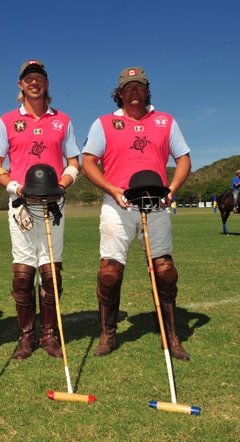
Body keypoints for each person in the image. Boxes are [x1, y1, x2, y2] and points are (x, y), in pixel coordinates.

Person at [81, 66, 192, 361]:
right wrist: (111, 188)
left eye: (139, 86)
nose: (134, 92)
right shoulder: (104, 123)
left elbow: (183, 159)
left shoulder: (165, 121)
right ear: (119, 93)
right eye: (128, 87)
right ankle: (108, 334)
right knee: (109, 273)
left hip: (156, 205)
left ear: (147, 90)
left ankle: (171, 336)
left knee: (165, 271)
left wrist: (172, 189)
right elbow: (88, 162)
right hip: (118, 204)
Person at [0, 60, 81, 360]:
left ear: (46, 83)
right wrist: (14, 187)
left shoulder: (62, 120)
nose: (34, 82)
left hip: (53, 204)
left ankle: (49, 334)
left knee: (51, 271)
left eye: (39, 78)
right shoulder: (7, 121)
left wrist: (63, 184)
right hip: (22, 205)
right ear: (20, 84)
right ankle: (26, 335)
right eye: (28, 78)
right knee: (23, 272)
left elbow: (73, 162)